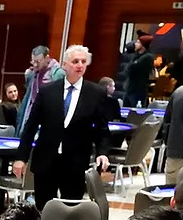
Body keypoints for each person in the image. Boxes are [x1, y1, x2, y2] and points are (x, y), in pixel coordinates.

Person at [13, 45, 113, 211]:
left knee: (70, 211)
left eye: (83, 62)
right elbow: (31, 126)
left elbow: (101, 128)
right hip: (46, 161)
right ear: (65, 64)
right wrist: (21, 158)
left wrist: (102, 152)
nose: (80, 65)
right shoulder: (47, 91)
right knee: (43, 210)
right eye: (75, 61)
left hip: (75, 163)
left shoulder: (96, 93)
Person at [16, 45, 62, 131]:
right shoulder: (31, 73)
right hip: (31, 114)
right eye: (33, 61)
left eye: (38, 61)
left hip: (48, 116)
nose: (35, 64)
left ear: (47, 58)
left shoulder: (58, 74)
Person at [119, 34, 155, 107]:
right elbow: (128, 69)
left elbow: (132, 68)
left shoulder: (147, 57)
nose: (135, 44)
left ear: (143, 45)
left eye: (138, 42)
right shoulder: (136, 55)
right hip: (129, 88)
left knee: (136, 111)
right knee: (125, 110)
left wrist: (132, 66)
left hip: (138, 90)